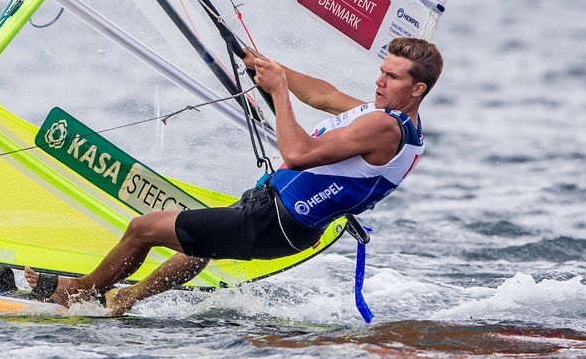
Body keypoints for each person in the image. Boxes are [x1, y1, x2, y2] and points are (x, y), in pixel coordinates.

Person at [24, 36, 442, 315]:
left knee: (142, 229)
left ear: (418, 88)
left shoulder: (386, 128)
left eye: (392, 76)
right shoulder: (390, 121)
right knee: (199, 246)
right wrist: (268, 66)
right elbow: (323, 95)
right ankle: (125, 299)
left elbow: (297, 154)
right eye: (381, 70)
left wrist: (278, 90)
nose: (379, 80)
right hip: (281, 220)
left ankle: (79, 292)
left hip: (274, 221)